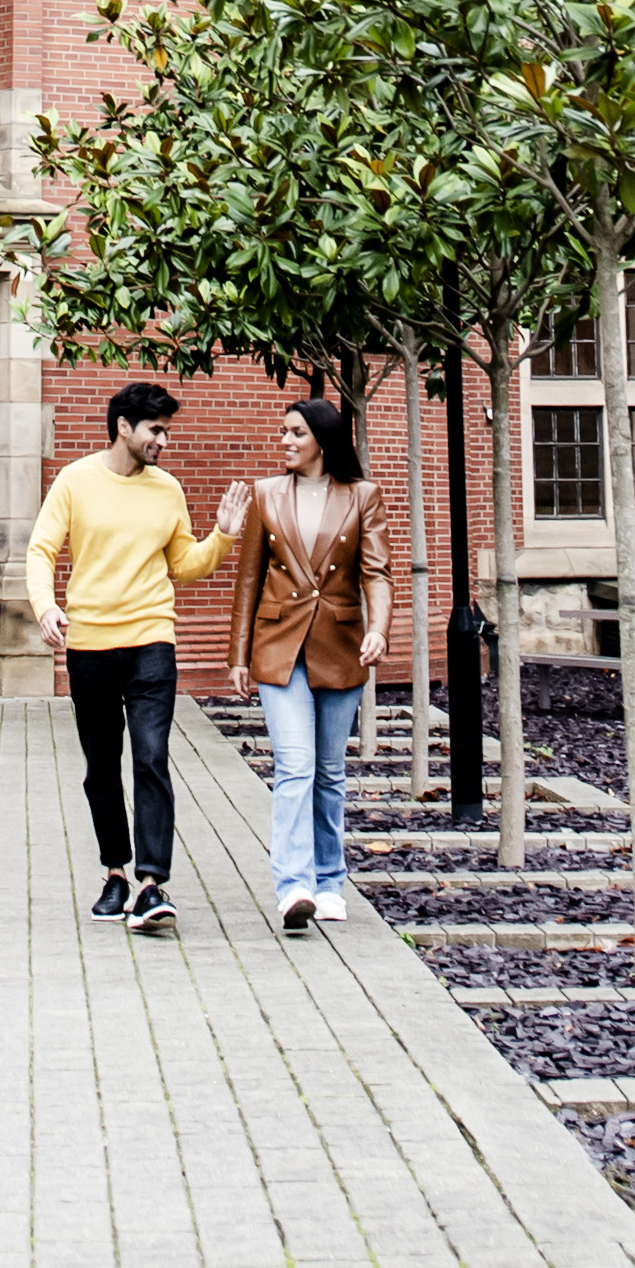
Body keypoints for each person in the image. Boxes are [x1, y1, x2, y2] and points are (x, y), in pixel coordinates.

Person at [28, 380, 226, 934]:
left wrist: (223, 537)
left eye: (166, 430)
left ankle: (151, 884)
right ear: (124, 428)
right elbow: (42, 549)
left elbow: (182, 563)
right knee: (100, 767)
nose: (164, 440)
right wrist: (45, 607)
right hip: (89, 642)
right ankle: (114, 872)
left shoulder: (168, 489)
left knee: (151, 756)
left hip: (151, 641)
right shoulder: (75, 480)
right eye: (155, 430)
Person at [218, 397, 392, 934]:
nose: (285, 441)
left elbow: (377, 573)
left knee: (329, 773)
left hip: (340, 646)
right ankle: (293, 886)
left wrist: (380, 629)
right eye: (283, 432)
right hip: (279, 646)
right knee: (295, 766)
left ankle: (329, 880)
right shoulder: (268, 495)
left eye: (295, 432)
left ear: (322, 437)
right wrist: (237, 655)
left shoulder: (362, 495)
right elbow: (248, 579)